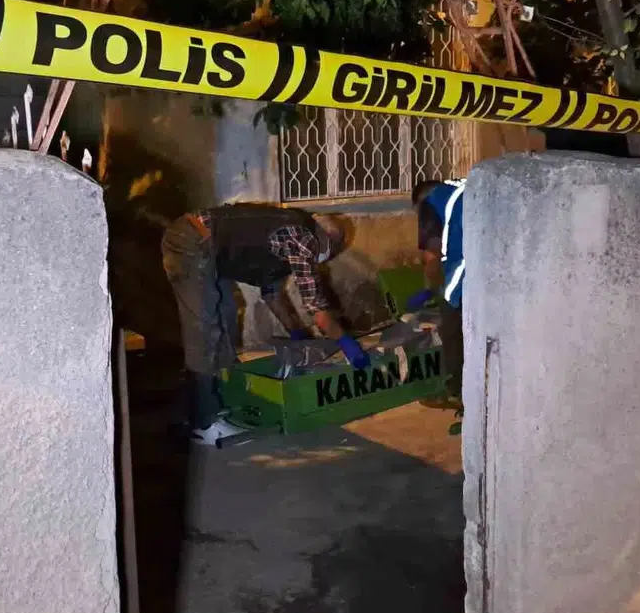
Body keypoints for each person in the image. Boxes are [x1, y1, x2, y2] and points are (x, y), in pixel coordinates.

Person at [161, 203, 370, 445]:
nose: (318, 262)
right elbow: (318, 311)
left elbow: (273, 296)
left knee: (226, 318)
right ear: (328, 243)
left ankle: (223, 400)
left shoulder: (284, 241)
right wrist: (345, 342)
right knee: (204, 333)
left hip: (209, 252)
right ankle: (203, 423)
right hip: (191, 241)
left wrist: (299, 335)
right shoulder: (303, 237)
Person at [405, 179, 465, 407]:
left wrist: (429, 289)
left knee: (451, 331)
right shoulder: (463, 191)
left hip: (463, 274)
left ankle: (456, 392)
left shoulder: (430, 203)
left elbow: (432, 257)